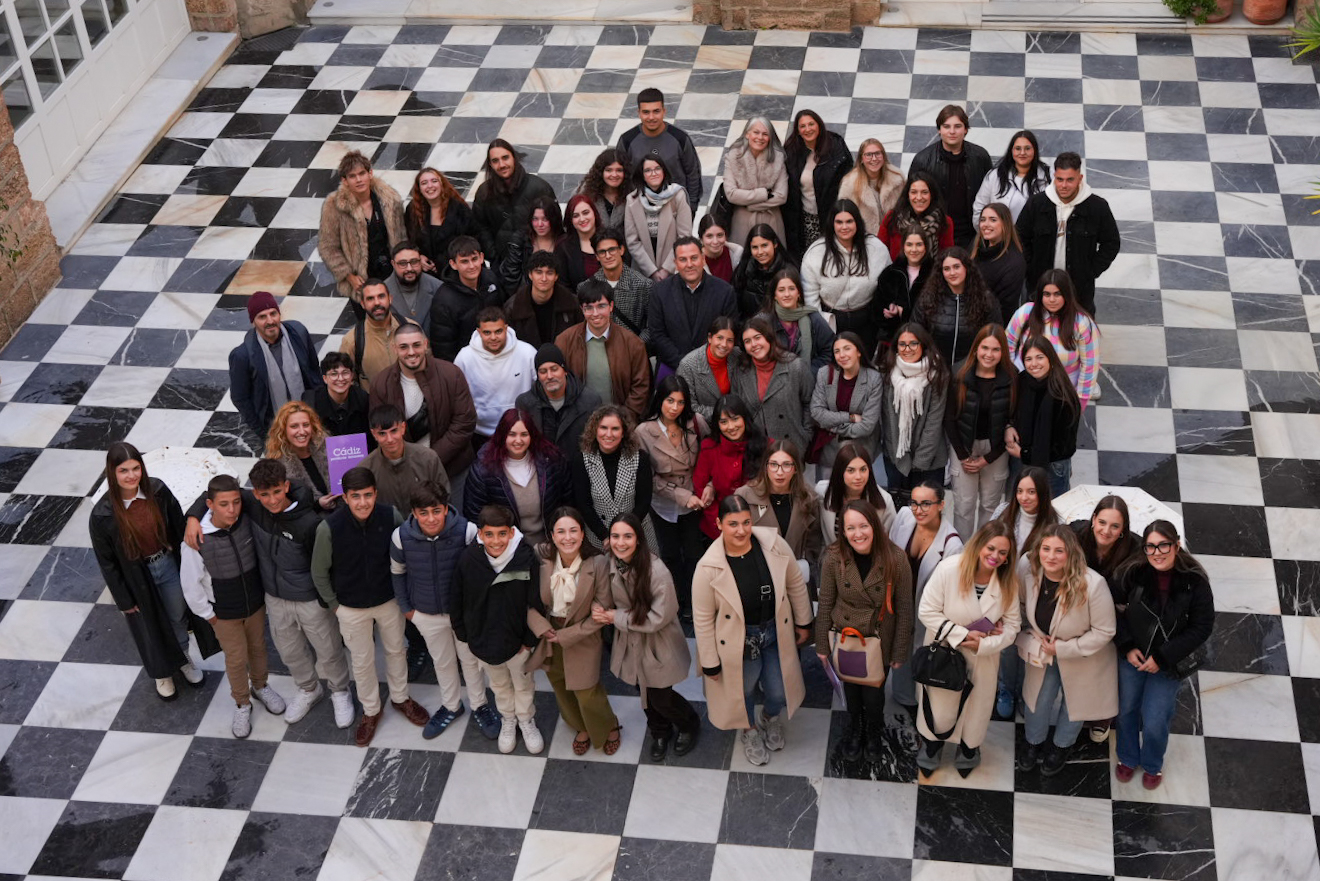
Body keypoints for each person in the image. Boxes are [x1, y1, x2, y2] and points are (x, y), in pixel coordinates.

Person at [183, 460, 354, 729]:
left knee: (328, 649)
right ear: (255, 493)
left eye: (277, 492)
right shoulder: (251, 505)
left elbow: (326, 565)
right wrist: (192, 518)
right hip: (273, 598)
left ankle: (340, 691)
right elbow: (214, 495)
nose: (271, 500)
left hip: (309, 599)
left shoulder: (309, 522)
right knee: (290, 652)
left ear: (286, 486)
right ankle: (309, 689)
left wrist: (328, 601)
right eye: (263, 494)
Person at [311, 467, 431, 747]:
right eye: (356, 496)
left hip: (388, 601)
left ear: (375, 493)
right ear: (345, 497)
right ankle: (371, 711)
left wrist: (404, 596)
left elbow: (406, 556)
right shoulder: (329, 528)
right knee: (362, 662)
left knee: (396, 651)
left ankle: (401, 698)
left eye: (367, 495)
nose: (362, 502)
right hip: (350, 608)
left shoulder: (391, 516)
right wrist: (335, 606)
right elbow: (319, 572)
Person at [692, 495, 813, 766]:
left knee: (779, 691)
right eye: (733, 524)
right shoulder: (707, 567)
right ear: (719, 524)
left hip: (774, 633)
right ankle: (749, 731)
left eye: (746, 522)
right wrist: (710, 662)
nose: (741, 530)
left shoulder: (773, 544)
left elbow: (794, 582)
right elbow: (701, 619)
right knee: (742, 690)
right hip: (738, 641)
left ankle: (769, 719)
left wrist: (804, 622)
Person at [90, 442, 206, 701]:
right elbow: (106, 562)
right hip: (136, 577)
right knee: (149, 625)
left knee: (177, 616)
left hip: (166, 564)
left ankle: (183, 657)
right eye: (123, 470)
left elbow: (177, 524)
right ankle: (161, 673)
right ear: (113, 473)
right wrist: (124, 600)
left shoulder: (158, 491)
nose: (131, 475)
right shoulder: (103, 513)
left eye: (135, 468)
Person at [390, 483, 503, 741]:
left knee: (471, 661)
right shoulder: (400, 537)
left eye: (436, 511)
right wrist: (408, 611)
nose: (431, 518)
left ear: (445, 508)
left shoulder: (467, 531)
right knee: (442, 662)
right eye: (424, 513)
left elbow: (482, 572)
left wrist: (476, 610)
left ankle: (480, 705)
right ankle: (451, 705)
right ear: (414, 513)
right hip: (426, 615)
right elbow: (397, 574)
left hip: (462, 615)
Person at [180, 475, 287, 738]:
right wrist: (209, 616)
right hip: (224, 615)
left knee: (259, 648)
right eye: (224, 504)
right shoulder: (196, 540)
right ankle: (242, 703)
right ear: (210, 505)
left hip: (254, 605)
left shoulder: (247, 519)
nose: (232, 510)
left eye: (236, 502)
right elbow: (190, 584)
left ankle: (260, 686)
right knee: (237, 659)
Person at [1113, 521, 1214, 789]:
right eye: (1150, 547)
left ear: (1176, 545)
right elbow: (1113, 611)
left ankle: (1152, 764)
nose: (1157, 552)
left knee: (1156, 716)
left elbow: (1202, 627)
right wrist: (1126, 646)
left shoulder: (1195, 582)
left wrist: (1162, 657)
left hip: (1167, 662)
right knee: (1126, 710)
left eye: (1163, 545)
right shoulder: (1132, 573)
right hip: (1132, 656)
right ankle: (1127, 756)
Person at [915, 521, 1020, 777]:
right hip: (942, 653)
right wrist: (961, 635)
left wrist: (985, 644)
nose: (995, 556)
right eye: (991, 548)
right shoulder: (949, 569)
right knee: (938, 707)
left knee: (976, 710)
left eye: (1002, 553)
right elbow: (926, 611)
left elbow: (1013, 625)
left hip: (982, 660)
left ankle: (969, 749)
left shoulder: (1008, 583)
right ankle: (931, 747)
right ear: (979, 545)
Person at [591, 513, 700, 760]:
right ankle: (659, 731)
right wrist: (598, 607)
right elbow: (601, 594)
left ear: (639, 540)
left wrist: (614, 617)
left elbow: (659, 617)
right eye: (615, 536)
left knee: (661, 697)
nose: (621, 542)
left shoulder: (656, 572)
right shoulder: (608, 564)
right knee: (645, 693)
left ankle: (688, 723)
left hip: (657, 645)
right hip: (629, 644)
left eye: (628, 536)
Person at [1016, 525, 1118, 776]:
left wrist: (1063, 648)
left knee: (1075, 705)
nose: (1051, 556)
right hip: (1044, 651)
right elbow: (1019, 606)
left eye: (1059, 551)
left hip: (1083, 655)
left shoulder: (1093, 585)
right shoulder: (1029, 573)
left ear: (1071, 553)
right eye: (1046, 549)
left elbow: (1105, 631)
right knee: (1037, 700)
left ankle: (1062, 746)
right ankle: (1033, 742)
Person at [816, 500, 913, 761]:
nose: (858, 534)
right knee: (851, 689)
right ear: (843, 531)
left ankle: (873, 730)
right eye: (850, 528)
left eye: (863, 526)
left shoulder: (896, 558)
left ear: (875, 526)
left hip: (879, 638)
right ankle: (855, 728)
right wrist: (822, 646)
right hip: (846, 637)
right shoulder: (834, 557)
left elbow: (905, 608)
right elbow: (825, 602)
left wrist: (900, 650)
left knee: (874, 694)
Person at [451, 504, 546, 754]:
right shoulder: (467, 560)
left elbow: (535, 601)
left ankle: (526, 719)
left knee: (523, 683)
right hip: (484, 641)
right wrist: (466, 635)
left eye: (502, 534)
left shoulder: (525, 559)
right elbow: (457, 599)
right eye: (489, 534)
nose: (496, 541)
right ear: (480, 534)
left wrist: (528, 640)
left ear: (512, 533)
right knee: (499, 684)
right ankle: (508, 718)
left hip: (518, 642)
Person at [528, 508, 622, 754]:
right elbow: (526, 599)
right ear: (552, 535)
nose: (567, 537)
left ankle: (608, 726)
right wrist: (542, 628)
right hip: (550, 632)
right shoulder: (541, 557)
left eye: (573, 531)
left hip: (583, 634)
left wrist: (566, 635)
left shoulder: (598, 563)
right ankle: (579, 725)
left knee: (586, 689)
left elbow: (601, 612)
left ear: (582, 534)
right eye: (560, 531)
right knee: (559, 683)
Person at [369, 323, 478, 509]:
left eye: (416, 345)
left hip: (453, 469)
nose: (411, 352)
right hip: (405, 471)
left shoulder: (451, 374)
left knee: (453, 522)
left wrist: (429, 459)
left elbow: (464, 423)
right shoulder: (381, 383)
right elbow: (382, 429)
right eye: (404, 347)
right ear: (395, 348)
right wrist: (414, 463)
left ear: (426, 344)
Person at [888, 481, 963, 716]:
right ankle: (902, 695)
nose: (918, 510)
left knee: (919, 653)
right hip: (898, 601)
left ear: (941, 505)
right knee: (898, 648)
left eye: (926, 504)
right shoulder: (903, 517)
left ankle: (920, 703)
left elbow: (950, 591)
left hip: (925, 610)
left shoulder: (952, 546)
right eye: (915, 503)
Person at [992, 465, 1062, 719]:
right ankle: (1006, 689)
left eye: (1031, 491)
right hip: (1004, 592)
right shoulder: (1003, 512)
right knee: (1007, 645)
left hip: (1035, 597)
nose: (1025, 497)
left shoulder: (1054, 523)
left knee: (1030, 645)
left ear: (1042, 494)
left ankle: (1024, 692)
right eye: (1020, 491)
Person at [635, 375, 709, 615]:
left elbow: (709, 457)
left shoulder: (696, 422)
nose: (675, 408)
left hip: (696, 501)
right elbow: (647, 477)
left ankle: (696, 602)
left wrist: (708, 487)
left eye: (680, 402)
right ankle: (676, 601)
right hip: (663, 502)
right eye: (670, 401)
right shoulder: (644, 431)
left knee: (694, 554)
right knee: (669, 554)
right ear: (660, 400)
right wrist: (679, 495)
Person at [1016, 152, 1121, 317]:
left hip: (1080, 290)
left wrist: (1091, 271)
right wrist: (1030, 266)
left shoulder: (1097, 207)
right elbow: (1019, 237)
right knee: (1038, 337)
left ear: (1080, 178)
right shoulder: (1036, 204)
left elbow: (1111, 242)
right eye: (1059, 179)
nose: (1064, 185)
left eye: (1070, 180)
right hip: (1039, 285)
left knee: (1078, 336)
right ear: (1054, 177)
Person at [945, 324, 1015, 538]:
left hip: (995, 450)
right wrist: (963, 455)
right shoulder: (959, 373)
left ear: (1003, 351)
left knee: (990, 506)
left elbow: (1014, 420)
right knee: (963, 507)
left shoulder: (1012, 378)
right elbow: (949, 418)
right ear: (976, 348)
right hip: (963, 447)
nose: (989, 354)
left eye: (995, 349)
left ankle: (985, 550)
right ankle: (961, 556)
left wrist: (989, 458)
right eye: (985, 348)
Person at [464, 408, 571, 548]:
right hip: (507, 549)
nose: (518, 440)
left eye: (524, 434)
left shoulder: (551, 461)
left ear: (531, 435)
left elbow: (568, 503)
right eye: (512, 434)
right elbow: (474, 516)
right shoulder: (483, 469)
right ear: (502, 436)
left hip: (550, 544)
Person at [801, 199, 890, 355]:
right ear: (832, 224)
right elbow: (809, 295)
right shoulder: (816, 252)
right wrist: (820, 326)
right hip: (832, 321)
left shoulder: (876, 248)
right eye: (839, 222)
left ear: (857, 222)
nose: (844, 227)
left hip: (867, 320)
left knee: (865, 365)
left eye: (849, 221)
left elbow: (889, 283)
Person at [555, 279, 651, 422]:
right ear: (582, 309)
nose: (595, 313)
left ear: (611, 306)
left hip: (619, 423)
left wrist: (624, 418)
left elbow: (641, 386)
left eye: (601, 306)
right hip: (577, 422)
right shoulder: (564, 341)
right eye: (589, 308)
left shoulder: (633, 343)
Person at [229, 291, 322, 439]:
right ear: (253, 321)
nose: (270, 320)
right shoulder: (242, 356)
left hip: (309, 420)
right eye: (262, 317)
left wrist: (319, 410)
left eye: (273, 313)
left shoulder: (298, 333)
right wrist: (263, 433)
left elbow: (314, 371)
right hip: (275, 429)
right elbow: (240, 398)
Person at [318, 150, 407, 305]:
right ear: (344, 180)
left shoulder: (390, 199)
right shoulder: (334, 206)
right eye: (352, 176)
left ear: (370, 173)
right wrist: (348, 276)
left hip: (392, 274)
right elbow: (327, 247)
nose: (359, 179)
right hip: (360, 280)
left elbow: (403, 236)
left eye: (362, 173)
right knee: (369, 325)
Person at [1007, 269, 1101, 410]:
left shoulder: (1082, 323)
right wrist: (1011, 379)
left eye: (1057, 294)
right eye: (1047, 294)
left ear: (1067, 295)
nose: (1052, 300)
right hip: (1026, 388)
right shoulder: (1025, 313)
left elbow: (1090, 366)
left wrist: (1080, 403)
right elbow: (1007, 345)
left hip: (1063, 392)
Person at [571, 404, 657, 551]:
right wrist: (606, 537)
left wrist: (623, 535)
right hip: (599, 538)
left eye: (615, 429)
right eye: (603, 428)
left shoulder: (640, 458)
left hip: (636, 533)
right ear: (595, 430)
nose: (608, 434)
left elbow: (644, 502)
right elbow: (583, 505)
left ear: (623, 432)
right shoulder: (582, 460)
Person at [907, 104, 993, 248]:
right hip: (935, 232)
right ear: (939, 130)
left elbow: (991, 195)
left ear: (965, 129)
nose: (952, 131)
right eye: (946, 126)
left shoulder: (980, 157)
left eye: (957, 126)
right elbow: (910, 199)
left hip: (972, 233)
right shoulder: (922, 160)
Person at [649, 237, 738, 376]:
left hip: (713, 369)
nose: (689, 264)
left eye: (694, 258)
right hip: (672, 368)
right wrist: (683, 364)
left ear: (703, 259)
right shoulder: (659, 292)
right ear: (675, 263)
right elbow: (657, 334)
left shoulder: (725, 292)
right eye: (683, 259)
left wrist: (706, 363)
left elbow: (730, 333)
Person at [878, 323, 950, 496]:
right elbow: (888, 419)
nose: (907, 349)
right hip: (895, 457)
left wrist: (919, 462)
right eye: (902, 344)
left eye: (913, 343)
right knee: (900, 515)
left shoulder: (938, 374)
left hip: (929, 461)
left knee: (926, 513)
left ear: (923, 345)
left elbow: (934, 421)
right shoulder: (888, 372)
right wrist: (899, 457)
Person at [1007, 335, 1081, 497]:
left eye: (1039, 357)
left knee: (1053, 513)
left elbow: (1063, 446)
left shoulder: (1063, 394)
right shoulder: (1022, 381)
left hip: (1053, 466)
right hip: (1023, 458)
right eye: (1028, 359)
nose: (1034, 364)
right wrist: (1009, 426)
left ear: (1050, 358)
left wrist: (1024, 454)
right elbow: (1011, 411)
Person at [732, 315, 815, 454]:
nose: (753, 344)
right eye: (747, 341)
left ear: (769, 337)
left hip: (791, 447)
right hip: (757, 451)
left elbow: (810, 402)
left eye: (757, 337)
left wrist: (805, 435)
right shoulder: (741, 372)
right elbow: (738, 409)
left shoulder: (795, 366)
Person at [454, 306, 538, 444]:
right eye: (487, 332)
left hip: (520, 430)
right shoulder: (464, 357)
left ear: (506, 328)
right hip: (479, 433)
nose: (493, 337)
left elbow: (540, 390)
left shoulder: (527, 353)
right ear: (479, 332)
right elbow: (457, 397)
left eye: (498, 331)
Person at [472, 138, 556, 273]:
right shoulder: (484, 193)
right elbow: (479, 228)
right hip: (502, 265)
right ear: (490, 165)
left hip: (538, 263)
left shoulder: (539, 187)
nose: (501, 164)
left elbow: (555, 224)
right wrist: (494, 256)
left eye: (505, 158)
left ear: (514, 158)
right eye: (495, 161)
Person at [735, 440, 822, 568]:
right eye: (774, 464)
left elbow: (814, 543)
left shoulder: (809, 499)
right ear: (766, 467)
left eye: (786, 465)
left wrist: (806, 564)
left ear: (796, 469)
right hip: (758, 571)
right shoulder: (745, 496)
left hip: (795, 573)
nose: (779, 472)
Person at [693, 394, 768, 539]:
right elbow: (701, 491)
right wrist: (723, 529)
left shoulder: (764, 445)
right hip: (719, 529)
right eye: (724, 422)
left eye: (735, 419)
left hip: (758, 526)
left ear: (744, 419)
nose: (731, 427)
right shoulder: (709, 447)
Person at [911, 247, 1002, 368]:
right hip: (935, 370)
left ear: (966, 268)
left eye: (956, 267)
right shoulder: (928, 299)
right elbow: (915, 334)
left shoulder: (986, 301)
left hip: (970, 372)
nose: (952, 273)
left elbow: (995, 336)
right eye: (946, 269)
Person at [617, 88, 703, 209]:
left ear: (664, 111)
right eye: (646, 112)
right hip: (639, 209)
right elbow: (619, 177)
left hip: (676, 208)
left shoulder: (680, 138)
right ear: (639, 113)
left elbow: (693, 174)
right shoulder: (627, 140)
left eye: (656, 111)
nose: (651, 117)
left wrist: (691, 207)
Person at [809, 331, 883, 472]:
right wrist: (850, 417)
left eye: (847, 348)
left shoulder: (874, 378)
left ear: (859, 352)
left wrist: (832, 427)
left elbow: (867, 426)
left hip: (861, 451)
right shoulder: (825, 374)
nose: (841, 355)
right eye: (837, 351)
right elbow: (817, 413)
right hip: (830, 451)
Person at [783, 109, 851, 259]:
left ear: (819, 125)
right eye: (802, 126)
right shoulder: (791, 150)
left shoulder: (835, 145)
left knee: (835, 256)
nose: (808, 129)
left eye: (811, 124)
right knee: (812, 258)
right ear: (798, 131)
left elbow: (848, 179)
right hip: (805, 217)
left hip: (832, 215)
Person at [516, 343, 603, 461]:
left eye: (554, 369)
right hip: (542, 471)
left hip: (578, 469)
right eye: (543, 371)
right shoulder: (525, 403)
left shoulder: (590, 401)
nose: (549, 376)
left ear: (565, 370)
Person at [429, 235, 507, 363]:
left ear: (481, 257)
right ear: (453, 264)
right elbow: (443, 347)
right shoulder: (443, 299)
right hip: (467, 363)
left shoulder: (490, 279)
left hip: (497, 354)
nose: (471, 266)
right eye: (465, 261)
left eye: (474, 259)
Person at [363, 403, 451, 513]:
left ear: (403, 428)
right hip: (386, 528)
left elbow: (445, 500)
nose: (389, 439)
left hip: (426, 526)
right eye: (382, 434)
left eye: (394, 431)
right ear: (374, 434)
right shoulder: (366, 469)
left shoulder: (428, 459)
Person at [722, 116, 788, 249]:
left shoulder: (778, 158)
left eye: (765, 134)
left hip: (771, 222)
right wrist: (763, 194)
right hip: (742, 223)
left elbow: (781, 196)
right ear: (747, 134)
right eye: (756, 132)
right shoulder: (733, 157)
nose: (760, 137)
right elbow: (731, 194)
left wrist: (752, 206)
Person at [625, 156, 693, 282]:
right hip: (643, 272)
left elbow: (684, 236)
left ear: (664, 171)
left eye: (657, 168)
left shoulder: (677, 195)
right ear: (642, 175)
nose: (654, 173)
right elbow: (632, 241)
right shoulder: (632, 200)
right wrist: (652, 271)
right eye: (648, 170)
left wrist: (667, 269)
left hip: (674, 269)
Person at [815, 442, 898, 542]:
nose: (858, 476)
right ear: (840, 471)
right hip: (832, 556)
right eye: (851, 470)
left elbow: (890, 541)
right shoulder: (822, 492)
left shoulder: (885, 500)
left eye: (863, 469)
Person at [581, 228, 652, 340]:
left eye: (612, 249)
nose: (608, 256)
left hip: (633, 351)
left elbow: (652, 327)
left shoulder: (643, 285)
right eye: (602, 252)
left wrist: (634, 346)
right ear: (597, 256)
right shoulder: (586, 287)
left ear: (621, 250)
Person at [265, 400, 337, 511]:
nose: (302, 431)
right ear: (283, 430)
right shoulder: (276, 465)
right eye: (294, 426)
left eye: (306, 425)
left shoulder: (328, 447)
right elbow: (283, 507)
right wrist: (318, 505)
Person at [761, 268, 835, 375]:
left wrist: (810, 372)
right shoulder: (763, 322)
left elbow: (829, 351)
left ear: (799, 293)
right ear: (775, 296)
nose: (787, 294)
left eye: (791, 289)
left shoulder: (813, 318)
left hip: (807, 382)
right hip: (774, 381)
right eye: (781, 290)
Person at [504, 250, 581, 350]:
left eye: (549, 273)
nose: (544, 278)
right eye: (539, 272)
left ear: (556, 276)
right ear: (530, 275)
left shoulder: (572, 303)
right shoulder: (512, 308)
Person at [405, 166, 474, 277]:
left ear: (442, 184)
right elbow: (410, 240)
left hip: (456, 272)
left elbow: (470, 240)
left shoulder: (459, 209)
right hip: (426, 273)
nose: (430, 186)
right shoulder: (412, 210)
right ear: (419, 189)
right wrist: (418, 257)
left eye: (434, 181)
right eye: (424, 183)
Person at [874, 228, 933, 357]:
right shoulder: (889, 274)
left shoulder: (935, 274)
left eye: (919, 244)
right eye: (909, 244)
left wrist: (904, 311)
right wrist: (890, 313)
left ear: (926, 247)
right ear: (903, 247)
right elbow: (877, 309)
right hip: (892, 341)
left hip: (924, 342)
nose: (914, 249)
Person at [973, 129, 1050, 223]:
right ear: (1011, 151)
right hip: (1001, 237)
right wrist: (987, 234)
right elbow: (979, 207)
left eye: (1027, 148)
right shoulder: (995, 175)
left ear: (1035, 150)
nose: (1022, 153)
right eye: (1018, 148)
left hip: (1034, 236)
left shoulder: (1047, 176)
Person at [677, 316, 743, 424]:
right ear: (710, 337)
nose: (724, 345)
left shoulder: (737, 356)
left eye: (729, 340)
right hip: (705, 426)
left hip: (737, 423)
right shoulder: (688, 365)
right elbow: (690, 406)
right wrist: (724, 415)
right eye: (720, 338)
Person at [878, 172, 954, 263]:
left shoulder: (943, 221)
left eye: (924, 192)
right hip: (897, 274)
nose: (919, 197)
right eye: (914, 192)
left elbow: (947, 258)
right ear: (908, 195)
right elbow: (879, 252)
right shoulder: (892, 218)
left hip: (932, 275)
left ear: (932, 195)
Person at [338, 279, 403, 385]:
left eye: (381, 296)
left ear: (390, 299)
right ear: (363, 304)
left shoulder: (409, 327)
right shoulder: (351, 341)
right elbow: (345, 380)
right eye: (370, 299)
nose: (377, 303)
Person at [971, 203, 1027, 323]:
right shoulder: (975, 249)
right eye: (983, 219)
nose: (986, 224)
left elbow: (1005, 308)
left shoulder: (1013, 262)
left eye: (993, 220)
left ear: (1005, 224)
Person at [838, 137, 905, 236]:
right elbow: (843, 216)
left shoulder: (897, 179)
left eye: (877, 153)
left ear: (883, 156)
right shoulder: (849, 184)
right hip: (864, 240)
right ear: (861, 159)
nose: (874, 159)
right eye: (868, 155)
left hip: (894, 237)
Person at [500, 196, 564, 295]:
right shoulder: (519, 241)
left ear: (554, 219)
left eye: (545, 219)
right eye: (535, 219)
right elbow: (511, 278)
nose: (539, 224)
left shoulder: (563, 242)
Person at [303, 352, 371, 445]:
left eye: (345, 373)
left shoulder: (363, 399)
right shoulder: (312, 403)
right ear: (325, 378)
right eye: (334, 374)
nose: (340, 378)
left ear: (351, 376)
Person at [1073, 495, 1142, 587]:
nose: (1106, 531)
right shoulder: (1074, 534)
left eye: (1115, 526)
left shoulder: (1136, 550)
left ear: (1123, 527)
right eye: (1102, 522)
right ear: (1094, 519)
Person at [731, 224, 795, 319]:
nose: (760, 252)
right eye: (755, 247)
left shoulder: (788, 272)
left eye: (764, 245)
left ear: (775, 244)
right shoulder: (743, 270)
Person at [386, 241, 442, 333]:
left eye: (414, 262)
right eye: (403, 263)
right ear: (393, 264)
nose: (409, 268)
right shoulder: (381, 293)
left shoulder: (438, 287)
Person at [555, 195, 603, 291]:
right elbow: (562, 287)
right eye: (576, 216)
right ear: (571, 220)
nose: (582, 219)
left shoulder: (610, 239)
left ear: (594, 213)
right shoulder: (563, 247)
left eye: (586, 213)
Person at [577, 148, 632, 229]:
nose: (614, 174)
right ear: (600, 172)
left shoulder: (633, 194)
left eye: (619, 170)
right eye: (609, 170)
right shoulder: (585, 193)